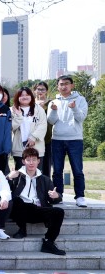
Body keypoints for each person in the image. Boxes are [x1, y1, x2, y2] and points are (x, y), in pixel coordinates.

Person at [6, 147, 66, 255]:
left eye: (34, 159)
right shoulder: (16, 176)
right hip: (20, 210)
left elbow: (53, 199)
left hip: (37, 210)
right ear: (23, 161)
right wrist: (8, 178)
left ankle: (49, 242)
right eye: (28, 160)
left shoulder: (44, 179)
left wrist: (56, 196)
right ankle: (22, 230)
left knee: (59, 212)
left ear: (38, 161)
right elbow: (3, 191)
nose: (31, 163)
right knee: (17, 201)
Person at [48, 75, 89, 207]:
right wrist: (54, 111)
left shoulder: (80, 99)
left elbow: (81, 118)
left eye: (66, 84)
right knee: (57, 170)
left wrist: (74, 108)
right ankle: (58, 195)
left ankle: (80, 196)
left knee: (77, 170)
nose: (64, 86)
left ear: (72, 85)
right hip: (57, 139)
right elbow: (51, 121)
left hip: (75, 139)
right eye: (61, 84)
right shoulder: (54, 102)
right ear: (57, 86)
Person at [12, 87, 47, 171]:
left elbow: (43, 125)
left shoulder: (39, 109)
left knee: (37, 173)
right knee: (21, 174)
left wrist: (33, 137)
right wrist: (18, 116)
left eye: (27, 95)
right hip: (20, 148)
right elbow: (11, 127)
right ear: (17, 97)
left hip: (37, 147)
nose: (24, 97)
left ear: (31, 96)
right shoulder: (12, 110)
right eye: (21, 95)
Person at [34, 81, 53, 176]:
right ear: (34, 91)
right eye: (38, 89)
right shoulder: (30, 103)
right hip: (33, 139)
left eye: (43, 89)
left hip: (47, 138)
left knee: (46, 166)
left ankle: (46, 184)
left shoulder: (51, 103)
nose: (40, 91)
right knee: (33, 165)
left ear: (47, 91)